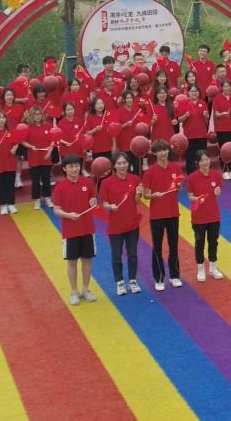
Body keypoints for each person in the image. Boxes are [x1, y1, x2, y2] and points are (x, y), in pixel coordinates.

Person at [53, 155, 99, 305]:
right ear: (64, 168)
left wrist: (93, 202)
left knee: (87, 260)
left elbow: (94, 202)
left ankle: (86, 289)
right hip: (70, 231)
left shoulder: (88, 182)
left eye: (76, 165)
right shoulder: (60, 187)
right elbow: (56, 210)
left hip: (87, 229)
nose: (74, 169)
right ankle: (74, 291)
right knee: (72, 262)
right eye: (71, 166)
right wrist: (68, 215)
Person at [141, 140, 184, 290]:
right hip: (157, 216)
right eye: (160, 150)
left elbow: (178, 189)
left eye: (165, 150)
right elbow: (145, 195)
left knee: (174, 245)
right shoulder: (150, 172)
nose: (163, 153)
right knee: (157, 247)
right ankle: (159, 278)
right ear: (155, 153)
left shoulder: (176, 168)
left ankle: (174, 276)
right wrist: (154, 195)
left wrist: (178, 186)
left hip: (173, 213)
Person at [100, 152, 143, 296]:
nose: (122, 166)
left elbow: (137, 202)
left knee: (132, 254)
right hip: (115, 226)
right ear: (114, 166)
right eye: (119, 163)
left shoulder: (135, 179)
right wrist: (110, 206)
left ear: (128, 163)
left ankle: (132, 280)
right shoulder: (106, 183)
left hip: (132, 224)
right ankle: (119, 282)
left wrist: (138, 193)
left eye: (124, 163)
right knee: (117, 255)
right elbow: (104, 204)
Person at [187, 150, 225, 282]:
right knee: (200, 243)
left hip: (214, 216)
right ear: (197, 162)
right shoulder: (192, 178)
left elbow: (217, 192)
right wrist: (197, 199)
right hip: (199, 217)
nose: (205, 163)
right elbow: (190, 196)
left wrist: (218, 192)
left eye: (207, 159)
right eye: (202, 160)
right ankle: (201, 268)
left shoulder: (216, 176)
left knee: (213, 242)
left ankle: (213, 267)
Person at [20, 106, 55, 210]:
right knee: (35, 181)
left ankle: (48, 198)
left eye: (39, 114)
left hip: (46, 158)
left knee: (46, 179)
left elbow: (53, 140)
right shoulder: (27, 127)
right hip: (34, 158)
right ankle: (37, 200)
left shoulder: (48, 126)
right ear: (31, 116)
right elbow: (23, 141)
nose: (38, 116)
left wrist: (49, 152)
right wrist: (31, 147)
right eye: (35, 114)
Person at [176, 84, 209, 171]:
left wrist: (206, 115)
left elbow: (207, 118)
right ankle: (191, 173)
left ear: (198, 92)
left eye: (196, 91)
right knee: (190, 156)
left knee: (202, 155)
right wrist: (185, 116)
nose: (194, 93)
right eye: (192, 91)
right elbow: (179, 120)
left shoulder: (202, 102)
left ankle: (202, 172)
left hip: (202, 134)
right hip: (189, 135)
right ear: (188, 92)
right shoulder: (184, 103)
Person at [212, 79, 231, 179]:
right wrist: (222, 114)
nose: (227, 88)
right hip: (221, 129)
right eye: (225, 86)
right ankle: (224, 171)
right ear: (222, 88)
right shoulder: (217, 99)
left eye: (228, 86)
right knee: (223, 150)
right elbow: (216, 114)